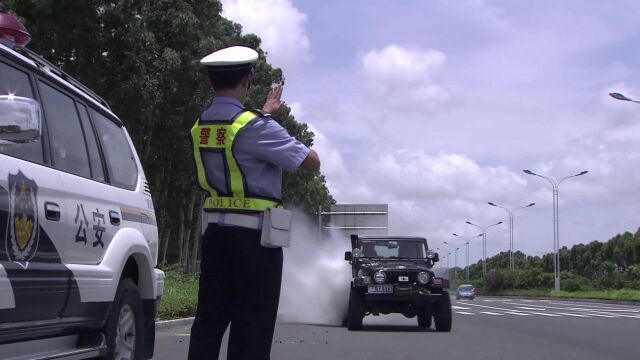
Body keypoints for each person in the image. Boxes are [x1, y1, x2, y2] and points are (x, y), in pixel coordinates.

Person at [187, 46, 320, 360]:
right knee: (252, 326)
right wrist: (270, 121)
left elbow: (234, 140)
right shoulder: (255, 126)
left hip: (216, 238)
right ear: (246, 81)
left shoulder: (200, 126)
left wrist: (264, 116)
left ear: (211, 83)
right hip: (256, 244)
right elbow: (311, 161)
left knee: (209, 320)